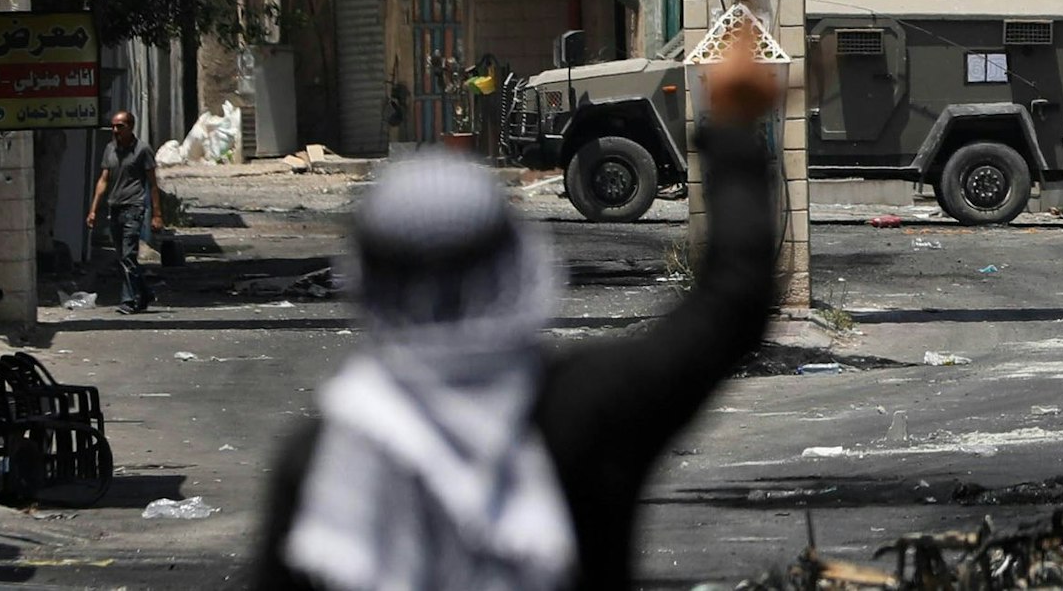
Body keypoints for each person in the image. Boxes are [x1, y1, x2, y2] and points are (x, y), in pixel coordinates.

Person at [252, 34, 782, 591]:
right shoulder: (586, 409)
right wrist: (732, 123)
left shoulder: (324, 457)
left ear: (365, 280)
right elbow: (733, 301)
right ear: (517, 262)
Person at [86, 110, 162, 315]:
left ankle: (128, 300)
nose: (115, 130)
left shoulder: (142, 150)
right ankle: (145, 293)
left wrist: (157, 214)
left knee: (128, 254)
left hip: (134, 207)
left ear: (131, 127)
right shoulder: (110, 149)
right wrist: (93, 209)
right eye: (113, 126)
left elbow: (153, 184)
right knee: (122, 257)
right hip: (115, 207)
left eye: (120, 126)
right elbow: (104, 180)